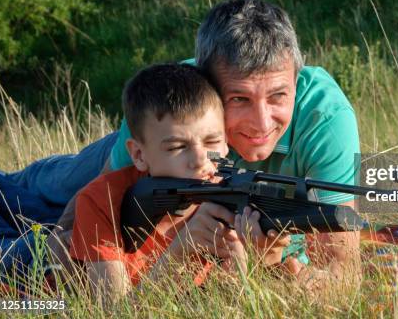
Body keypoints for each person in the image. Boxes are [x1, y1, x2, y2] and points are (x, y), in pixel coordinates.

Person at [0, 0, 361, 288]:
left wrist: (281, 276)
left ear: (297, 82)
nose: (262, 123)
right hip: (157, 149)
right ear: (208, 87)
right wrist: (71, 249)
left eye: (278, 96)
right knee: (37, 194)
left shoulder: (324, 119)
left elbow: (344, 273)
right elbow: (81, 219)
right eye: (239, 100)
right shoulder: (175, 99)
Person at [70, 63, 285, 301]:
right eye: (177, 147)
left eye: (212, 142)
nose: (199, 160)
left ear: (226, 143)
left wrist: (253, 262)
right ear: (139, 155)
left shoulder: (233, 194)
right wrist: (179, 251)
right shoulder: (103, 200)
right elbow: (114, 312)